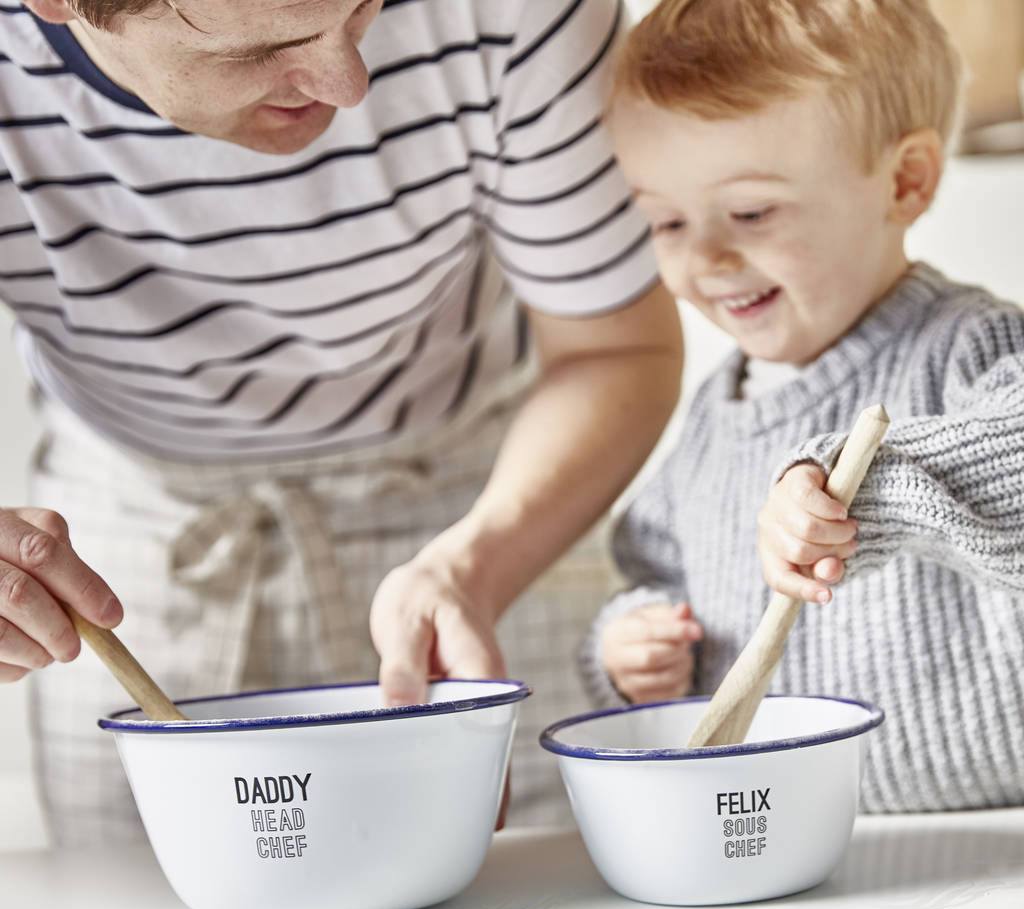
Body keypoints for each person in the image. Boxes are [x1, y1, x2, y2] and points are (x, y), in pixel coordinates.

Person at [0, 0, 685, 843]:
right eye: (268, 48)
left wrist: (475, 567)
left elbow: (616, 352)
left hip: (491, 500)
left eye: (367, 11)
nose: (349, 85)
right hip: (135, 536)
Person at [580, 0, 1024, 811]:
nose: (705, 256)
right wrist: (632, 647)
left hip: (997, 836)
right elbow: (652, 567)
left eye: (751, 213)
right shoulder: (716, 416)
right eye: (666, 220)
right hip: (798, 837)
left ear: (905, 181)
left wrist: (862, 486)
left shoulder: (971, 344)